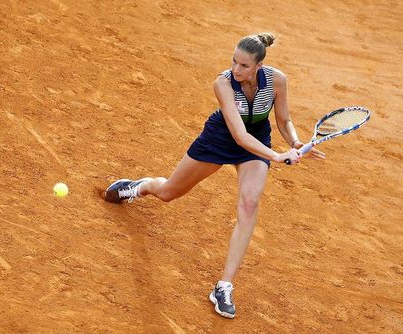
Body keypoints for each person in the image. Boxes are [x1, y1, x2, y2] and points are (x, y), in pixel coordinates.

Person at [103, 32, 326, 319]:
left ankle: (224, 286)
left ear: (259, 65)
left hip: (256, 142)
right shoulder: (223, 84)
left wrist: (295, 143)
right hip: (221, 139)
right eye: (235, 62)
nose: (237, 69)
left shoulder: (277, 80)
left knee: (249, 204)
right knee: (169, 192)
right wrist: (276, 155)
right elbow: (238, 134)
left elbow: (283, 119)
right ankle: (141, 186)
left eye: (244, 66)